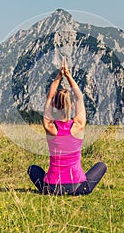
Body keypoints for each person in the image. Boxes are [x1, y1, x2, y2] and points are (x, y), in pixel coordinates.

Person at [27, 59, 107, 195]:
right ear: (71, 106)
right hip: (79, 187)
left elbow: (49, 97)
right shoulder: (79, 126)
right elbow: (80, 98)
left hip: (52, 189)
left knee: (32, 169)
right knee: (101, 166)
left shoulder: (50, 127)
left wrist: (58, 76)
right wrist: (68, 75)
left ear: (54, 105)